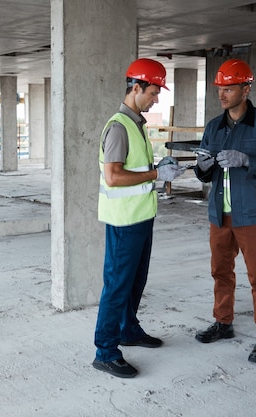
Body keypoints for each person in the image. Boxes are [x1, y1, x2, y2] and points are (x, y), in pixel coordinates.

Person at [93, 58, 185, 378]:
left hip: (141, 218)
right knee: (117, 287)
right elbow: (114, 177)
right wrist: (158, 173)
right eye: (154, 92)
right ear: (136, 88)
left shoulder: (137, 125)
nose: (156, 98)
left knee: (135, 282)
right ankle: (105, 351)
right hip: (124, 221)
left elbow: (137, 170)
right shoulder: (119, 126)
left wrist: (158, 168)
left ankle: (128, 330)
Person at [193, 58, 256, 364]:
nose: (222, 94)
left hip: (252, 215)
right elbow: (203, 173)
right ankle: (223, 323)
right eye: (219, 87)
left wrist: (247, 160)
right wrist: (202, 167)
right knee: (221, 272)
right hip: (219, 214)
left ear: (246, 89)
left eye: (229, 88)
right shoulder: (213, 127)